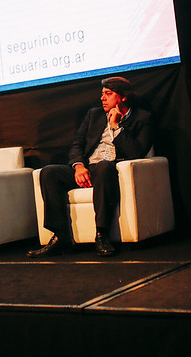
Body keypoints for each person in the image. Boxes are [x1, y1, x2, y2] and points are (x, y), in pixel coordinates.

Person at [27, 77, 154, 258]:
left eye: (108, 94)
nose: (103, 98)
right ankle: (60, 236)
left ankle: (102, 234)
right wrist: (79, 166)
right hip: (88, 168)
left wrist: (116, 126)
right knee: (49, 172)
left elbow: (136, 153)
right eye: (102, 94)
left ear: (123, 97)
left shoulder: (142, 118)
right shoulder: (94, 115)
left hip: (111, 170)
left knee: (104, 167)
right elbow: (77, 144)